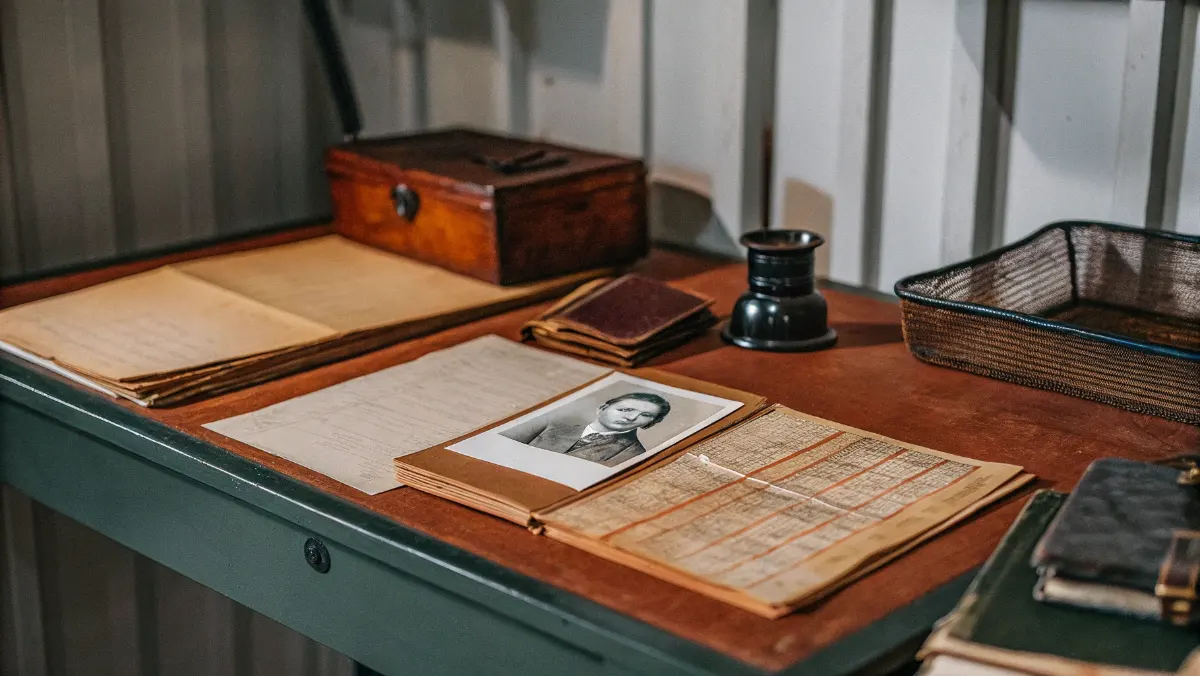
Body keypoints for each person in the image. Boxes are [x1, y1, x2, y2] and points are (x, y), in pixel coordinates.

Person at [509, 392, 671, 467]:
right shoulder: (555, 423)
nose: (630, 418)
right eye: (625, 410)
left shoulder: (633, 455)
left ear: (649, 423)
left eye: (644, 415)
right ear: (602, 408)